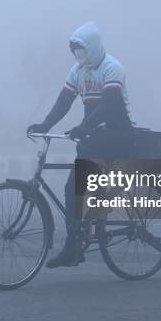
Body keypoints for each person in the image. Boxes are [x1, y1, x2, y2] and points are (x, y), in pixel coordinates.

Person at [27, 21, 136, 268]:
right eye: (75, 50)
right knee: (72, 188)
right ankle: (74, 244)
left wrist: (84, 127)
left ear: (93, 47)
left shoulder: (112, 68)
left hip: (118, 135)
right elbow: (64, 102)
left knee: (84, 175)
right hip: (94, 137)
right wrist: (45, 125)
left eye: (82, 49)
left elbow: (108, 105)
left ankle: (92, 218)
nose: (79, 54)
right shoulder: (78, 71)